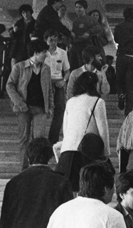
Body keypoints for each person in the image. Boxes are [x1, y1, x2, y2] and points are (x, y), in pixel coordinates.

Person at [57, 72, 111, 191]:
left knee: (70, 190)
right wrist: (106, 152)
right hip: (87, 151)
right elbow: (103, 130)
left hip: (68, 150)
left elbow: (65, 128)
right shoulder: (98, 102)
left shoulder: (70, 101)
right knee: (88, 189)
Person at [6, 39, 54, 170]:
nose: (46, 54)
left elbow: (49, 89)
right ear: (35, 52)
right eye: (44, 52)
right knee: (24, 139)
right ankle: (23, 168)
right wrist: (19, 103)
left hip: (40, 108)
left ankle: (38, 167)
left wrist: (50, 107)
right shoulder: (19, 67)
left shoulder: (46, 69)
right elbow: (9, 85)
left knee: (39, 139)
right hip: (24, 108)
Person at [44, 29, 70, 144]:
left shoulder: (62, 53)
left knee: (60, 108)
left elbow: (67, 71)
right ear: (46, 40)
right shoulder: (42, 52)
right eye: (50, 40)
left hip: (58, 81)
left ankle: (53, 138)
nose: (53, 42)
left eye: (55, 40)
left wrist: (64, 81)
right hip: (45, 82)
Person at [70, 0, 104, 69]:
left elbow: (98, 27)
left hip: (85, 45)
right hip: (75, 45)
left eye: (80, 7)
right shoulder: (75, 20)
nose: (78, 9)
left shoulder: (90, 19)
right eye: (76, 7)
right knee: (73, 65)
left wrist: (89, 32)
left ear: (85, 9)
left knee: (82, 65)